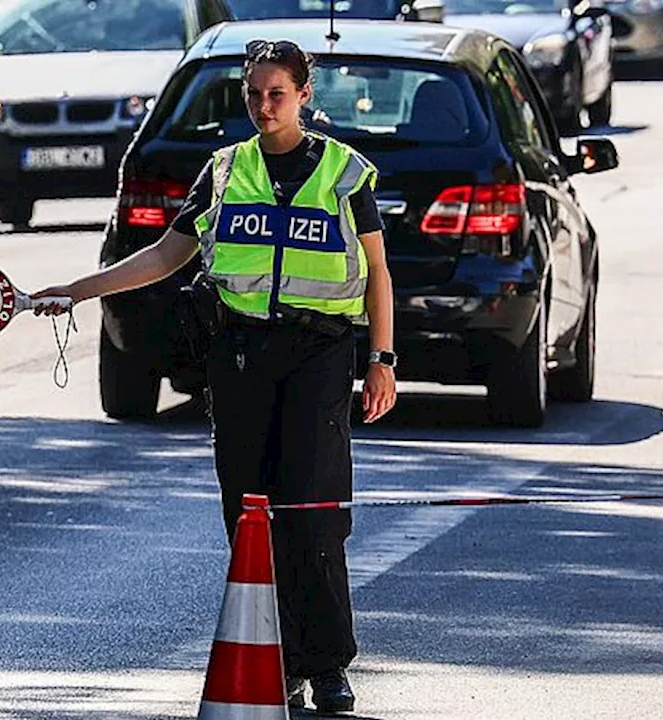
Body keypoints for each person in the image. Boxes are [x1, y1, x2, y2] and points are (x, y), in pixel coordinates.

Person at [31, 38, 396, 714]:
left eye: (277, 94)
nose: (264, 106)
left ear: (304, 96)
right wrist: (78, 290)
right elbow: (168, 253)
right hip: (240, 357)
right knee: (250, 513)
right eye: (254, 94)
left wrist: (382, 360)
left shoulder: (345, 173)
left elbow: (378, 274)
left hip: (319, 354)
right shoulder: (225, 171)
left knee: (311, 512)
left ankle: (327, 666)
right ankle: (273, 658)